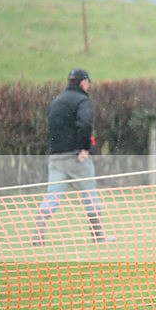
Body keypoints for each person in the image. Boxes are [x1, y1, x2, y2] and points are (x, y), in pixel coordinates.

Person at [32, 68, 114, 246]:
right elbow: (84, 124)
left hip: (56, 157)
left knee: (52, 198)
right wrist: (85, 148)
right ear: (83, 82)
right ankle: (98, 237)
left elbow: (53, 128)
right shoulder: (82, 100)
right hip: (77, 157)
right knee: (90, 196)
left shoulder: (58, 101)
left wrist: (55, 151)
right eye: (88, 82)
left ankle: (37, 236)